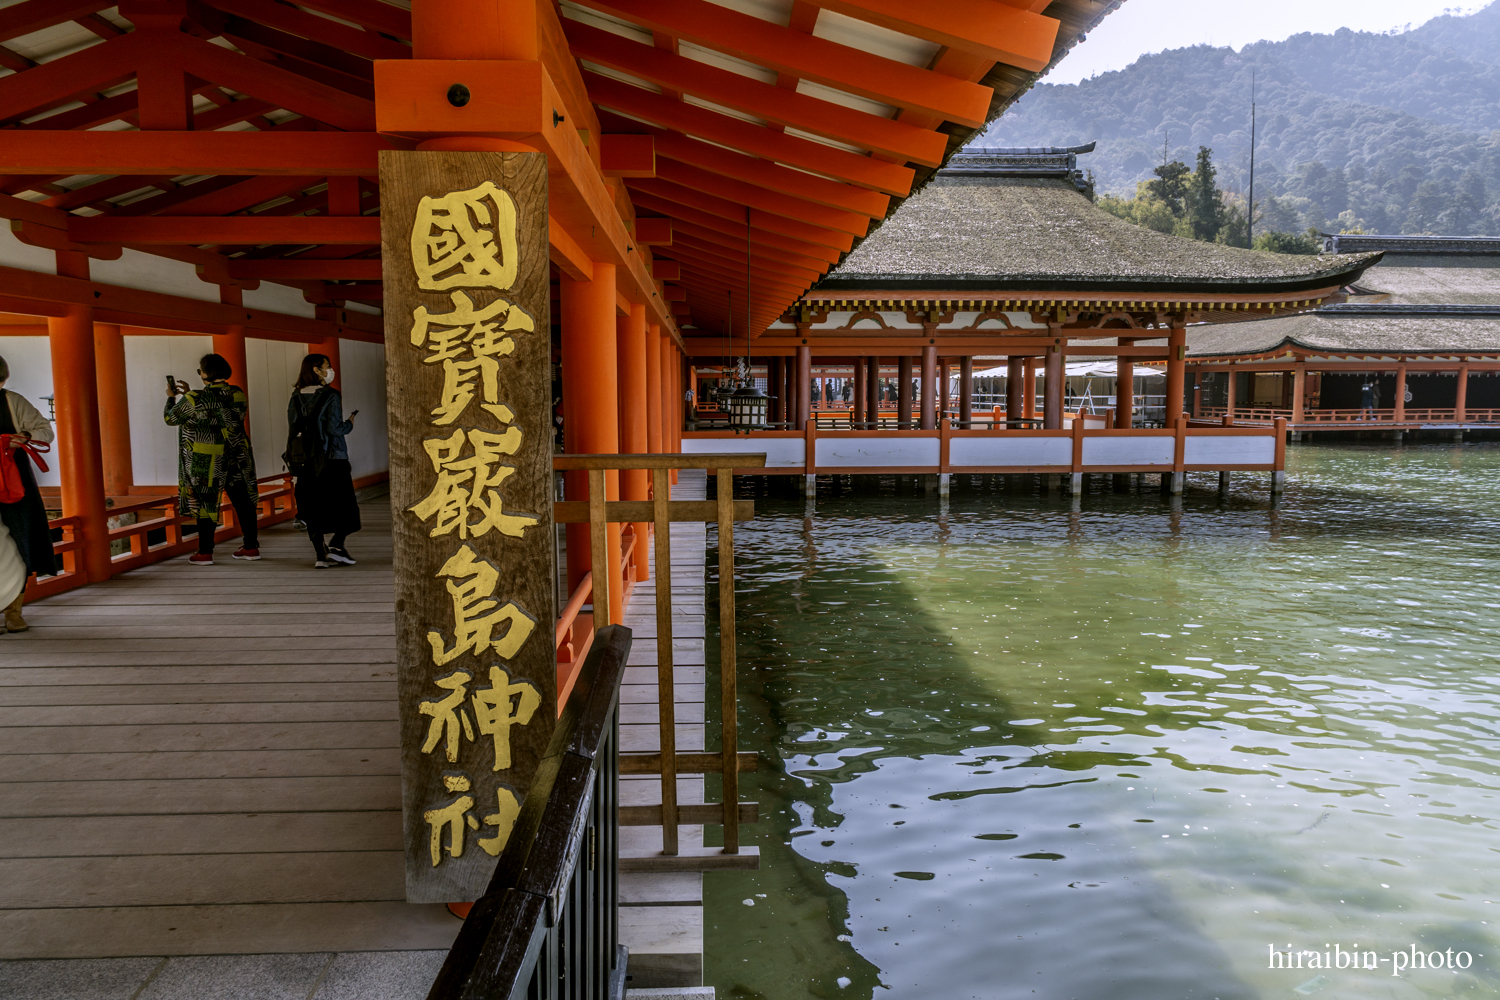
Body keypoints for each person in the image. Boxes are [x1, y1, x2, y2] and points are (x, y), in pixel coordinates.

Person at [165, 353, 258, 566]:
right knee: (243, 502)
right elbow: (216, 407)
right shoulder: (238, 394)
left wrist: (172, 397)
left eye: (200, 371)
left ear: (205, 374)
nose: (200, 374)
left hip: (206, 458)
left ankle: (205, 552)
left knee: (206, 503)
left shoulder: (194, 399)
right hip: (237, 455)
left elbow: (171, 418)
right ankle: (251, 547)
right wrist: (191, 394)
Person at [287, 353, 360, 569]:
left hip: (305, 461)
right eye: (327, 366)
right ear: (317, 370)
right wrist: (349, 424)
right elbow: (334, 428)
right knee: (346, 506)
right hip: (332, 458)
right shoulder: (331, 395)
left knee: (313, 506)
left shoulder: (296, 396)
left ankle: (320, 556)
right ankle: (337, 544)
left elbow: (293, 429)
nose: (331, 370)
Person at [0, 355, 56, 633]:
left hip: (13, 482)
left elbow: (45, 431)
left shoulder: (13, 401)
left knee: (18, 541)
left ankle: (14, 611)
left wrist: (24, 437)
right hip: (13, 480)